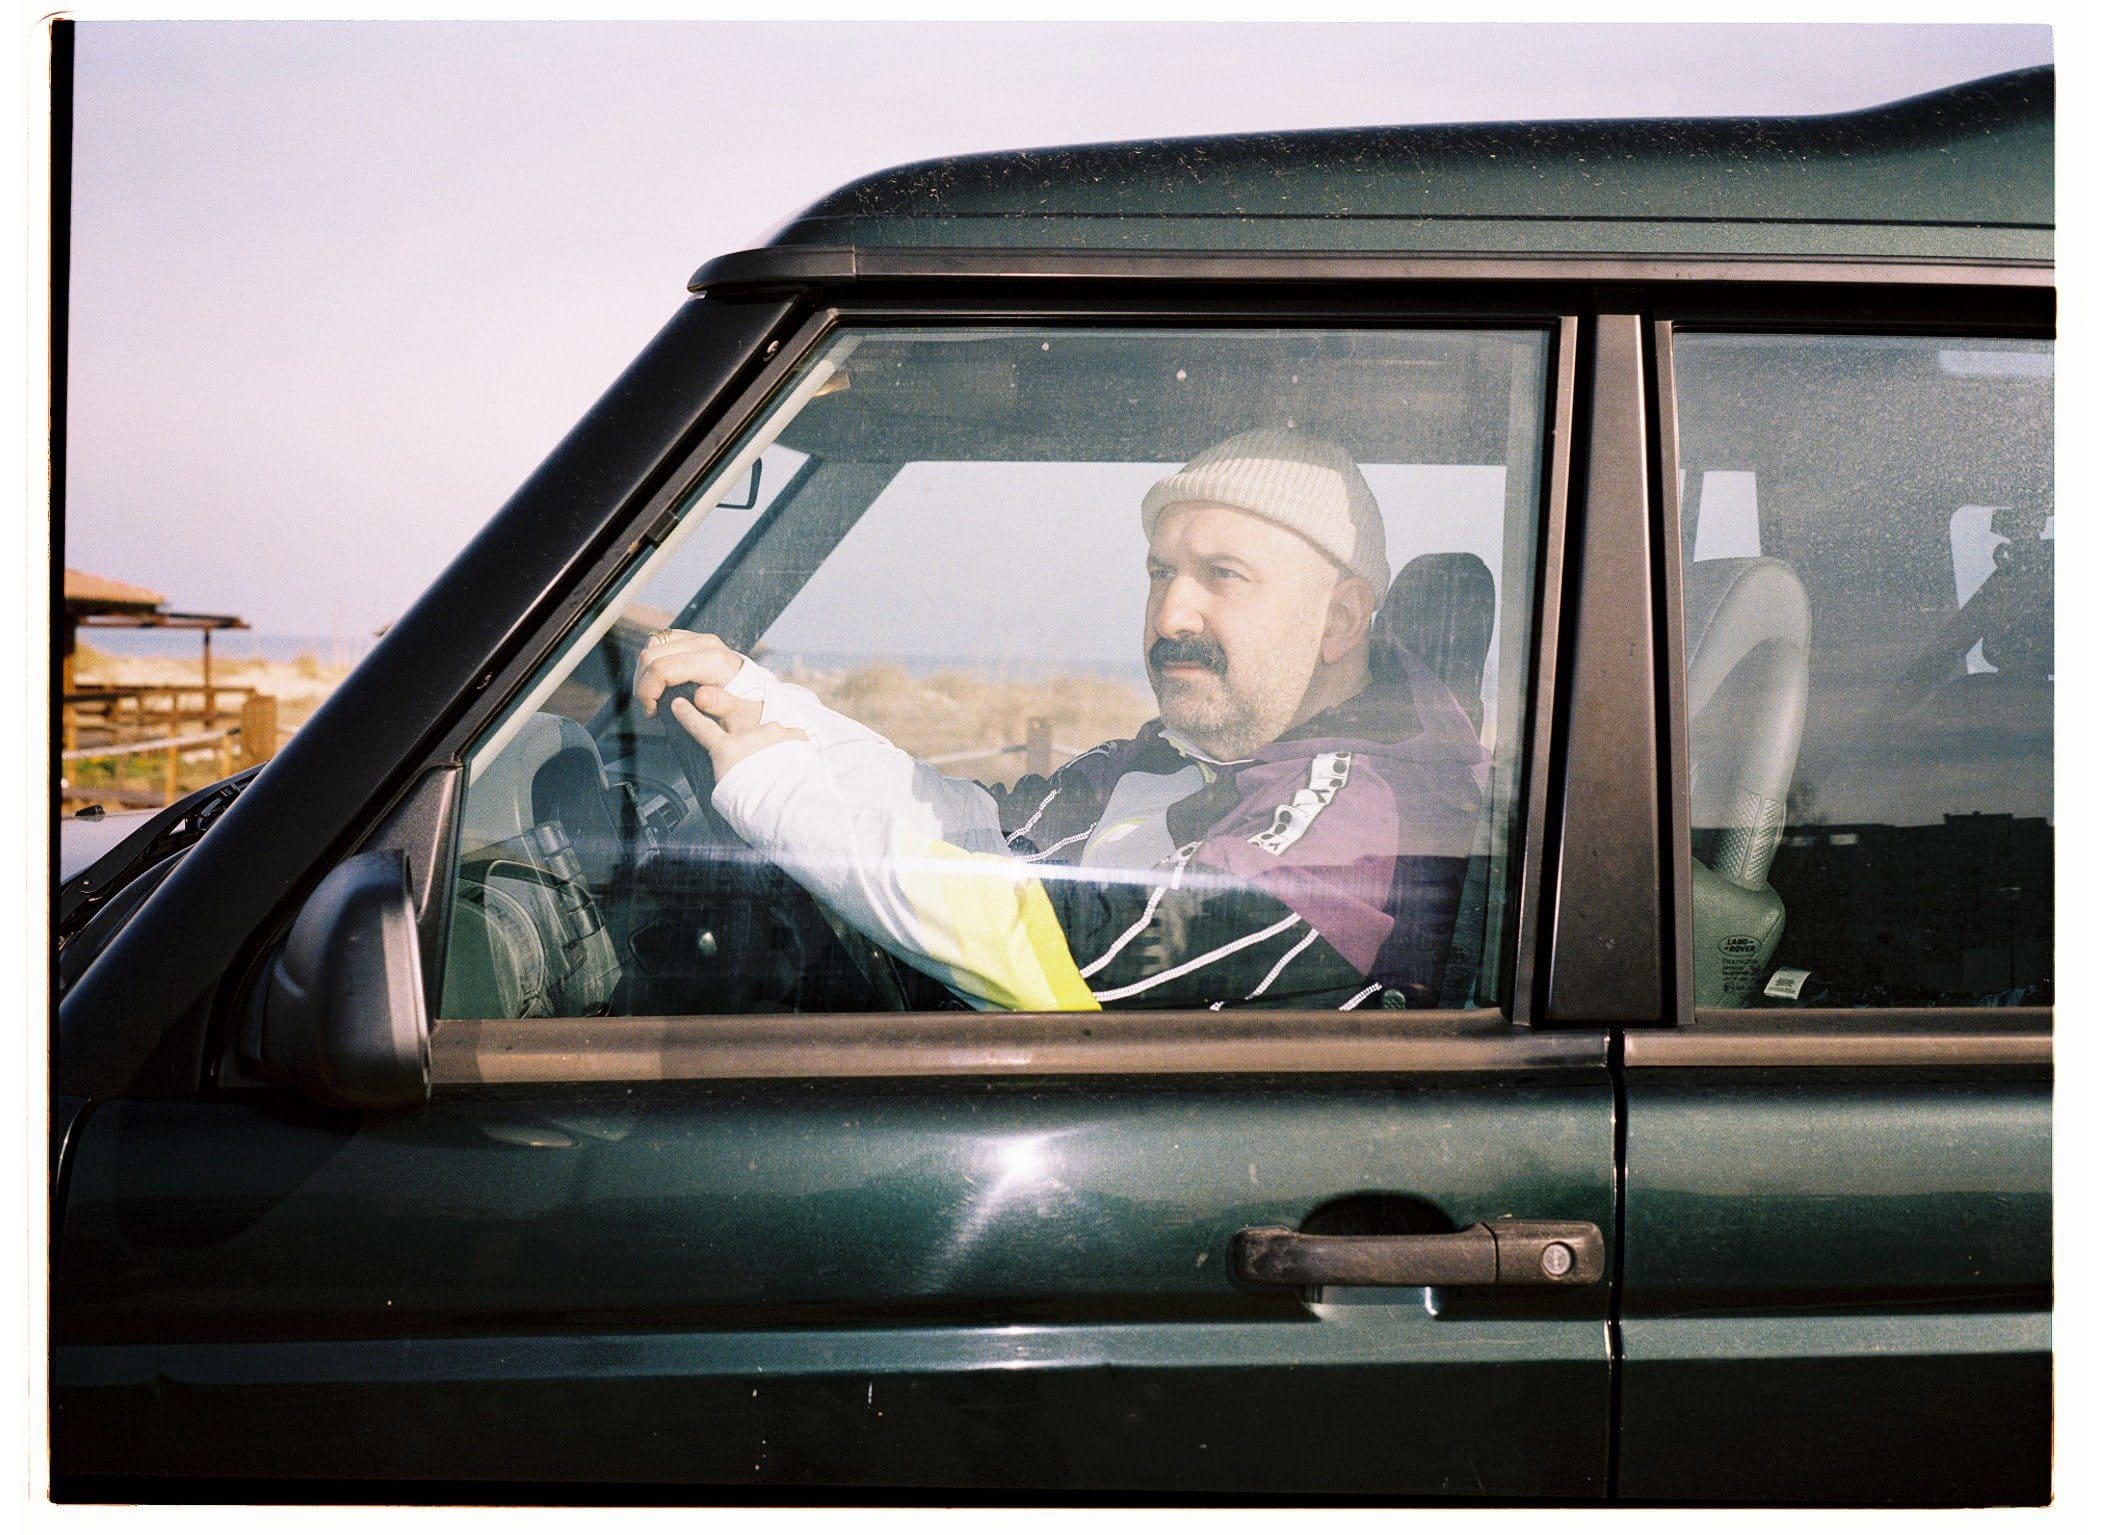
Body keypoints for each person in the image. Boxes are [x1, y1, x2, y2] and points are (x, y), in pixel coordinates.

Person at [635, 426, 1484, 1012]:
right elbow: (980, 828)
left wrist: (783, 800)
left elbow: (1077, 955)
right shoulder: (1180, 758)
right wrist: (765, 702)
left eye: (1223, 575)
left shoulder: (1355, 817)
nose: (1170, 614)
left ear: (1339, 619)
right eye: (1161, 572)